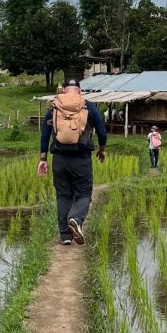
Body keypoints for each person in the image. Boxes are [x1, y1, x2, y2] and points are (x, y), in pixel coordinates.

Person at [37, 79, 107, 245]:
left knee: (63, 196)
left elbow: (45, 134)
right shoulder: (88, 106)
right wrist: (102, 149)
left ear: (64, 91)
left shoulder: (54, 107)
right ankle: (75, 219)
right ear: (79, 92)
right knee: (83, 194)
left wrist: (43, 159)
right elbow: (102, 132)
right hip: (81, 159)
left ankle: (65, 236)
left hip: (59, 160)